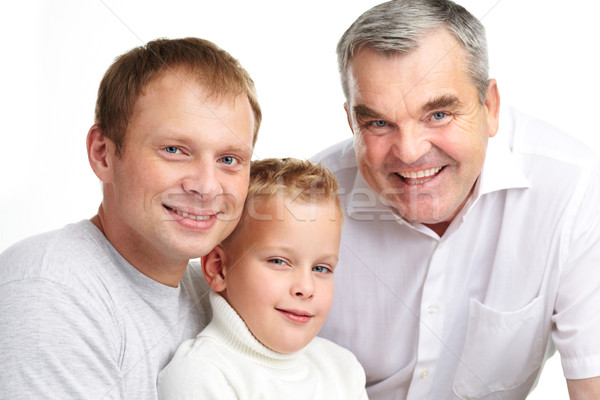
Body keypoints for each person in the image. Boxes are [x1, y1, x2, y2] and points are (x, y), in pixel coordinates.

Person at [312, 0, 600, 399]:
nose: (409, 151)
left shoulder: (575, 190)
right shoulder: (307, 200)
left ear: (490, 106)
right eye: (378, 123)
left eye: (439, 114)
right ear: (351, 122)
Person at [0, 37, 261, 399]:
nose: (206, 186)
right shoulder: (50, 292)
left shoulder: (215, 294)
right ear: (103, 154)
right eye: (174, 150)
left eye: (229, 159)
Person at [157, 158, 368, 400]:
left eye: (321, 268)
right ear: (219, 269)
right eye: (279, 262)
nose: (306, 288)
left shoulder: (343, 369)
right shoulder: (201, 374)